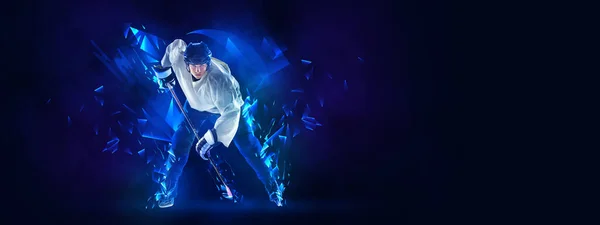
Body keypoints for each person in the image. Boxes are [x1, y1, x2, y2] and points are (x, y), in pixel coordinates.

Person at [152, 39, 282, 208]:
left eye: (202, 65)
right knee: (178, 147)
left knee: (250, 147)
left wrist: (213, 137)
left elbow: (231, 112)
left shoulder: (220, 80)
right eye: (194, 65)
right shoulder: (179, 56)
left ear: (207, 63)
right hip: (195, 106)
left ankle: (273, 188)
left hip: (229, 106)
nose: (198, 69)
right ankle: (167, 192)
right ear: (186, 63)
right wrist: (164, 72)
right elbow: (174, 47)